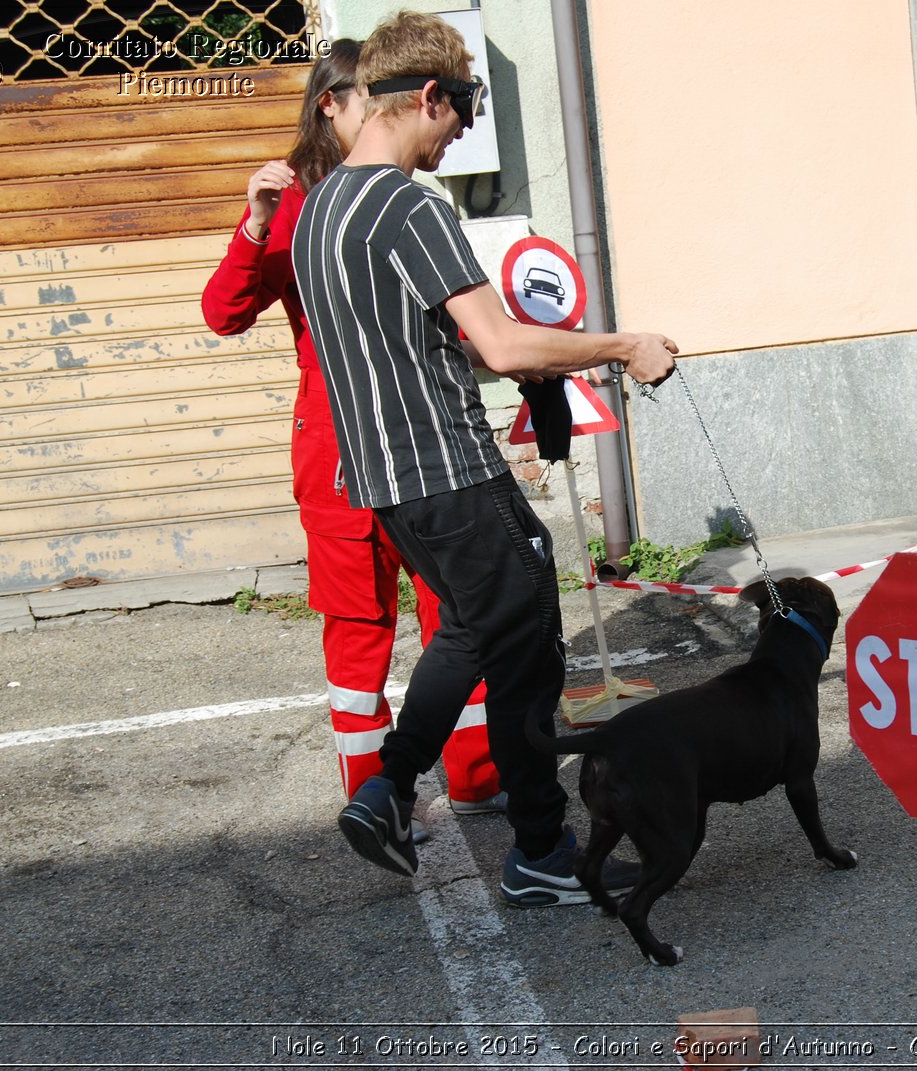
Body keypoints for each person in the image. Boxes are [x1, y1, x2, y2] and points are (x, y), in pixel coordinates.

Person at [292, 11, 677, 900]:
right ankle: (535, 846)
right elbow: (500, 346)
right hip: (449, 470)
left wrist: (545, 362)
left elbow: (426, 340)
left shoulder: (321, 214)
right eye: (458, 115)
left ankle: (392, 789)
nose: (457, 135)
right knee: (527, 644)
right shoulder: (403, 204)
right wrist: (621, 347)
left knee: (478, 627)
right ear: (427, 95)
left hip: (384, 482)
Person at [200, 39, 504, 829]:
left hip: (414, 438)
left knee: (454, 611)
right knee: (359, 626)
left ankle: (473, 775)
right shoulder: (301, 204)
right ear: (330, 106)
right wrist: (254, 225)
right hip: (336, 455)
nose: (378, 113)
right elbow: (224, 312)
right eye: (360, 98)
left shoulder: (401, 195)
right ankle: (376, 793)